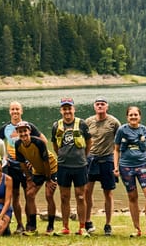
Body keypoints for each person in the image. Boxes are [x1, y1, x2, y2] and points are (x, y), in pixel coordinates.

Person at [0, 101, 46, 234]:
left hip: (27, 167)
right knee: (15, 196)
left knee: (30, 196)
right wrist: (3, 157)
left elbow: (43, 141)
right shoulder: (4, 128)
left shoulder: (29, 127)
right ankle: (19, 225)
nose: (15, 112)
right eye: (12, 109)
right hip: (11, 167)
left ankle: (31, 224)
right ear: (9, 111)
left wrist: (35, 158)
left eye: (17, 109)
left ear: (21, 111)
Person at [50, 97, 92, 236]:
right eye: (64, 108)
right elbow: (55, 145)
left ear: (74, 109)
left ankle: (82, 227)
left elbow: (89, 141)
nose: (67, 111)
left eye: (69, 108)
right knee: (64, 197)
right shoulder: (56, 125)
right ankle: (65, 227)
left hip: (80, 166)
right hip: (63, 166)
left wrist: (83, 157)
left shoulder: (82, 124)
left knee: (81, 197)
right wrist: (62, 155)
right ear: (61, 110)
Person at [114, 106, 146, 237]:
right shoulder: (122, 130)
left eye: (135, 115)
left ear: (139, 116)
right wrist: (115, 167)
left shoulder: (145, 130)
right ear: (127, 117)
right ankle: (137, 229)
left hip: (142, 166)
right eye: (131, 115)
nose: (133, 117)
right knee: (132, 197)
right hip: (126, 167)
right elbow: (116, 149)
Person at [83, 97, 120, 236]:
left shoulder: (114, 122)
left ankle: (108, 224)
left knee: (108, 193)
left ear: (107, 106)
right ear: (94, 107)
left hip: (108, 160)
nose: (100, 106)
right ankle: (87, 221)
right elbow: (83, 141)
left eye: (102, 104)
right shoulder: (88, 122)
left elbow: (119, 144)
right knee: (87, 191)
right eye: (97, 104)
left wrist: (118, 165)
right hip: (91, 159)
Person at [14, 121, 58, 236]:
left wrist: (48, 180)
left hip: (51, 168)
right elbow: (22, 163)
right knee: (29, 194)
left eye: (25, 131)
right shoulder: (18, 144)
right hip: (37, 170)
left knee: (49, 195)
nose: (23, 134)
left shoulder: (39, 142)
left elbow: (46, 162)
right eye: (20, 131)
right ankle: (32, 225)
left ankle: (50, 226)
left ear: (29, 131)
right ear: (17, 133)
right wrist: (29, 178)